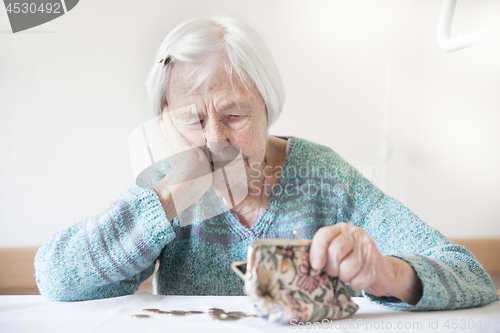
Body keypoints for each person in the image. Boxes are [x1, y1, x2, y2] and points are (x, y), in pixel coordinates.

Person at [35, 16, 498, 312]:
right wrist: (168, 198)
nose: (216, 138)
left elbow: (472, 276)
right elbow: (56, 279)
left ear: (267, 109)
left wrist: (388, 273)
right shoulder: (165, 186)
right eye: (192, 120)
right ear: (165, 125)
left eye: (235, 115)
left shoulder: (324, 176)